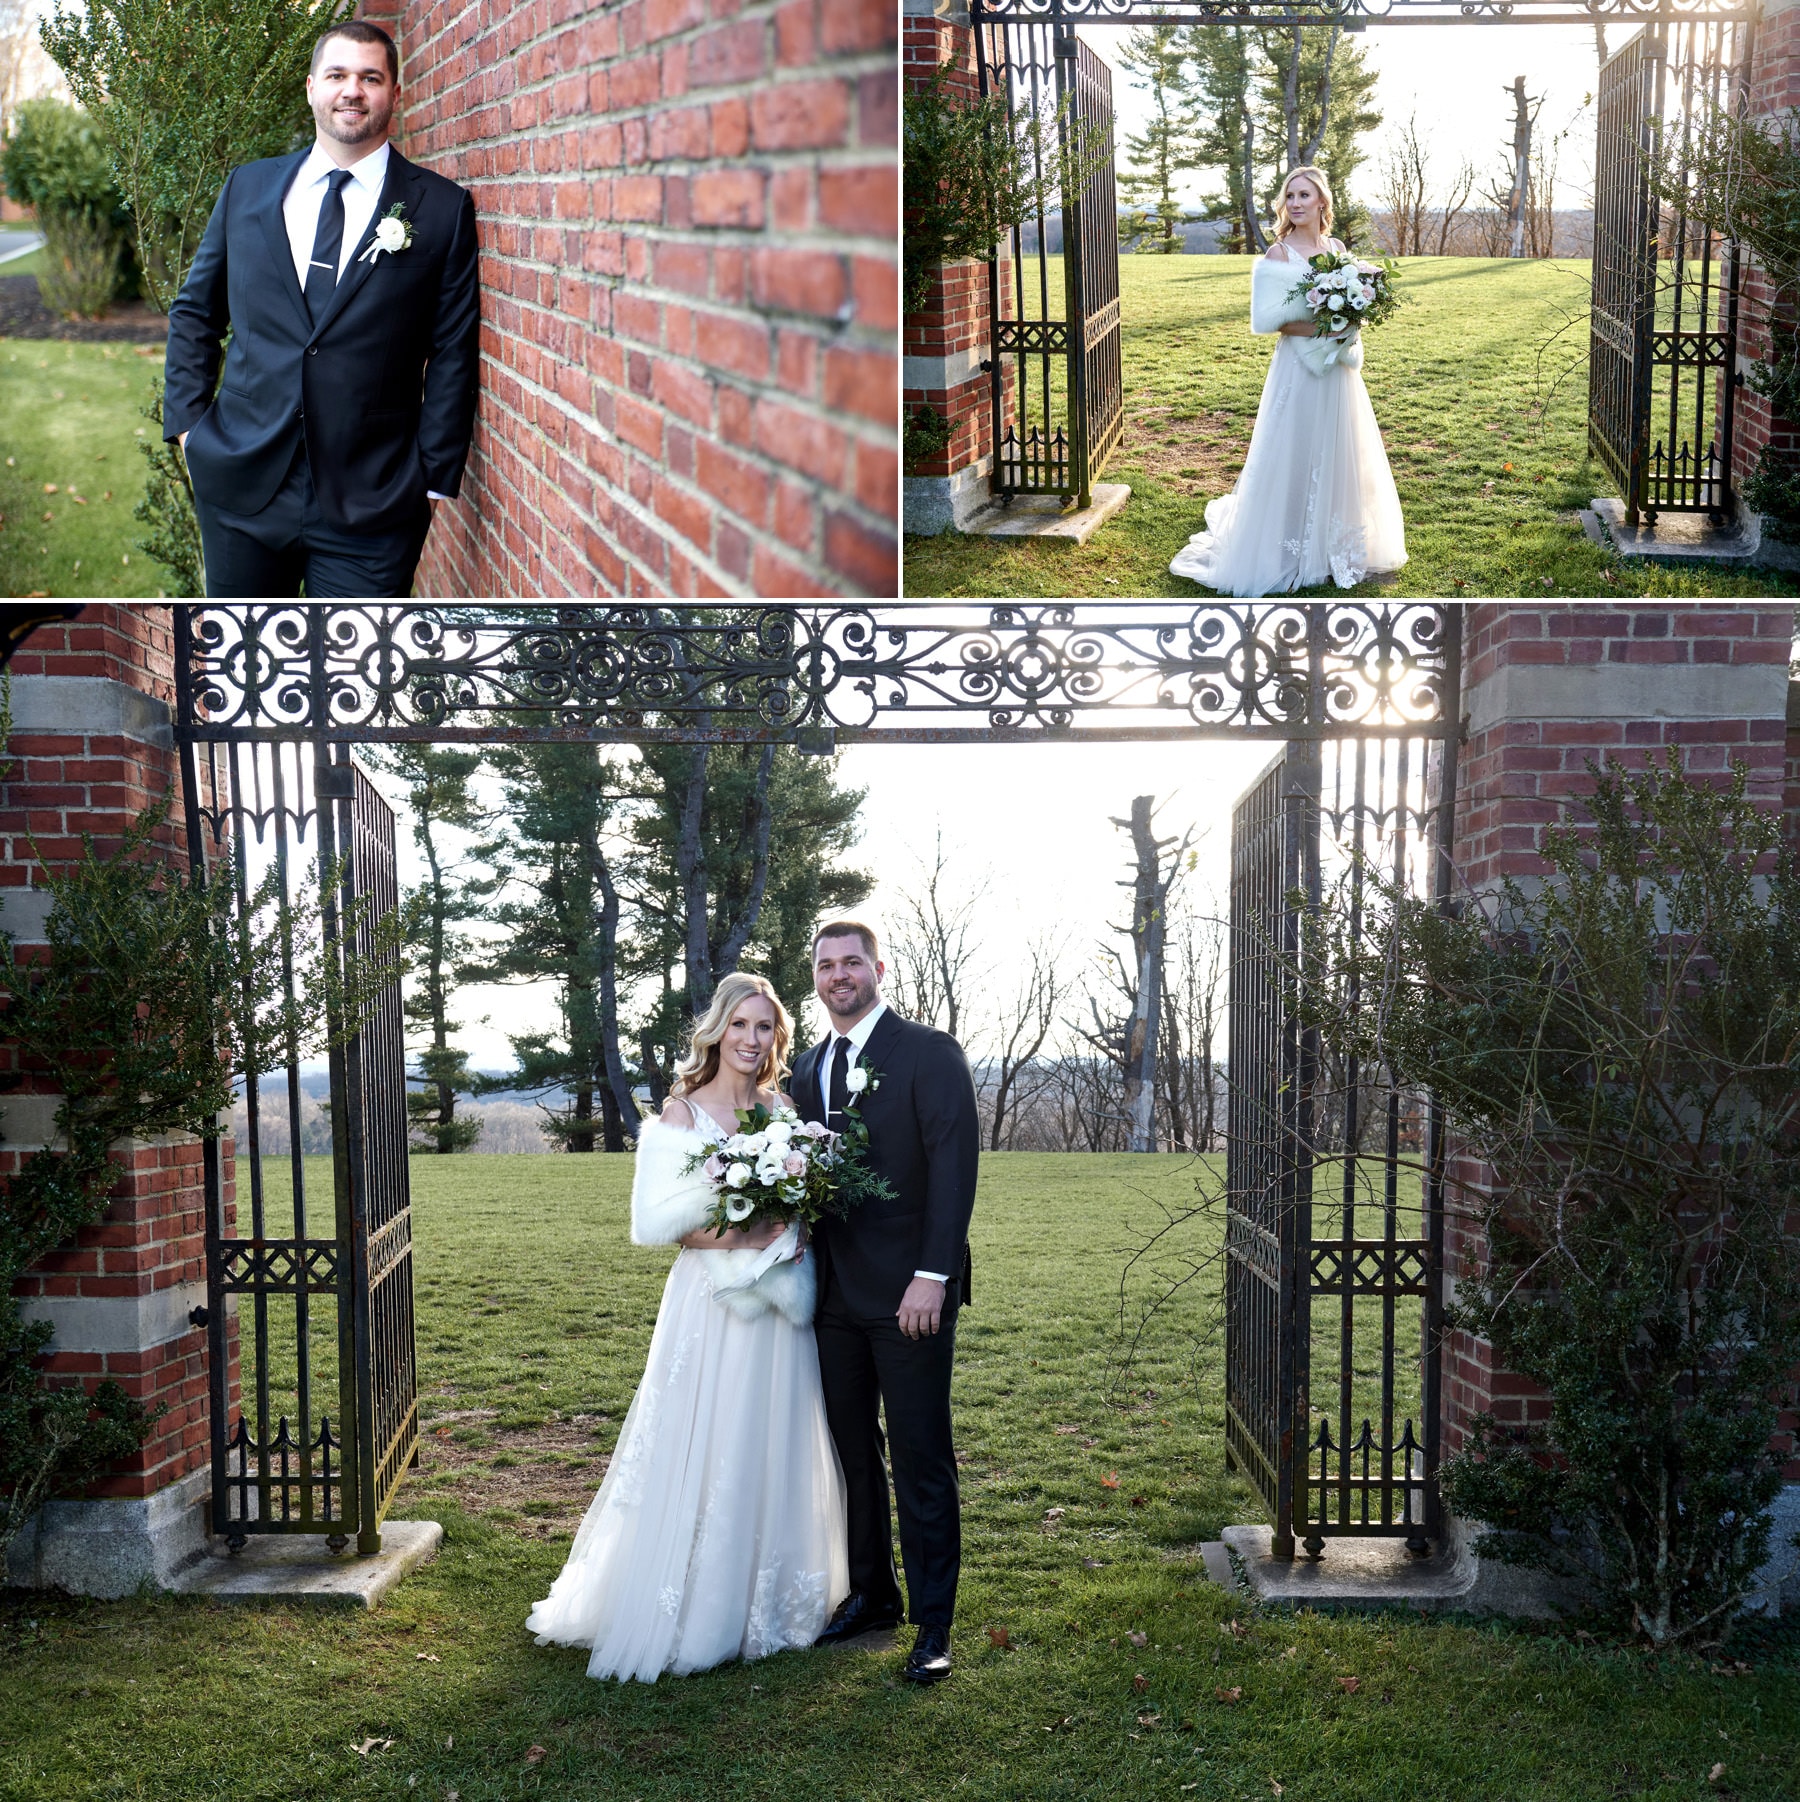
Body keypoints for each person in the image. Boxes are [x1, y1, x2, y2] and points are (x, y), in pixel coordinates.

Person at [526, 972, 849, 1682]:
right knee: (709, 1431)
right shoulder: (681, 1113)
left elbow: (802, 1202)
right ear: (717, 1030)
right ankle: (699, 1607)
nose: (751, 1039)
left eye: (764, 1028)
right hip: (711, 1305)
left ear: (776, 1038)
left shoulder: (783, 1110)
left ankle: (767, 1600)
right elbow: (660, 1223)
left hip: (779, 1305)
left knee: (771, 1433)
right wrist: (751, 1231)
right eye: (740, 1025)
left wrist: (793, 1224)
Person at [163, 20, 480, 598]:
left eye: (370, 78)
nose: (352, 90)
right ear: (312, 87)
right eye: (337, 75)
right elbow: (195, 313)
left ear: (394, 93)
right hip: (242, 489)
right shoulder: (246, 189)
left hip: (375, 502)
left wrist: (431, 481)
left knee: (363, 656)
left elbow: (453, 350)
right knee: (247, 651)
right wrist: (189, 429)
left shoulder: (441, 209)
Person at [794, 921, 980, 1685]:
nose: (839, 975)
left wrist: (932, 1275)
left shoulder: (929, 1053)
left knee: (919, 1456)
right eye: (826, 965)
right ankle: (873, 1596)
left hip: (910, 1295)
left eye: (852, 962)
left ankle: (934, 1624)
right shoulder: (809, 1065)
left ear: (878, 969)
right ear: (816, 976)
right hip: (832, 1296)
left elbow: (953, 1170)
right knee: (852, 1454)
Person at [1169, 165, 1406, 597]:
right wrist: (1329, 326)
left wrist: (1354, 315)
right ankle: (1290, 543)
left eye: (1304, 195)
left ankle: (1333, 545)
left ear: (1322, 201)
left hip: (1337, 370)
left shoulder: (1336, 248)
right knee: (1296, 445)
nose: (1295, 203)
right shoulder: (1278, 255)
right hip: (1298, 367)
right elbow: (1272, 321)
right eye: (1290, 196)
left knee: (1337, 447)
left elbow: (1356, 302)